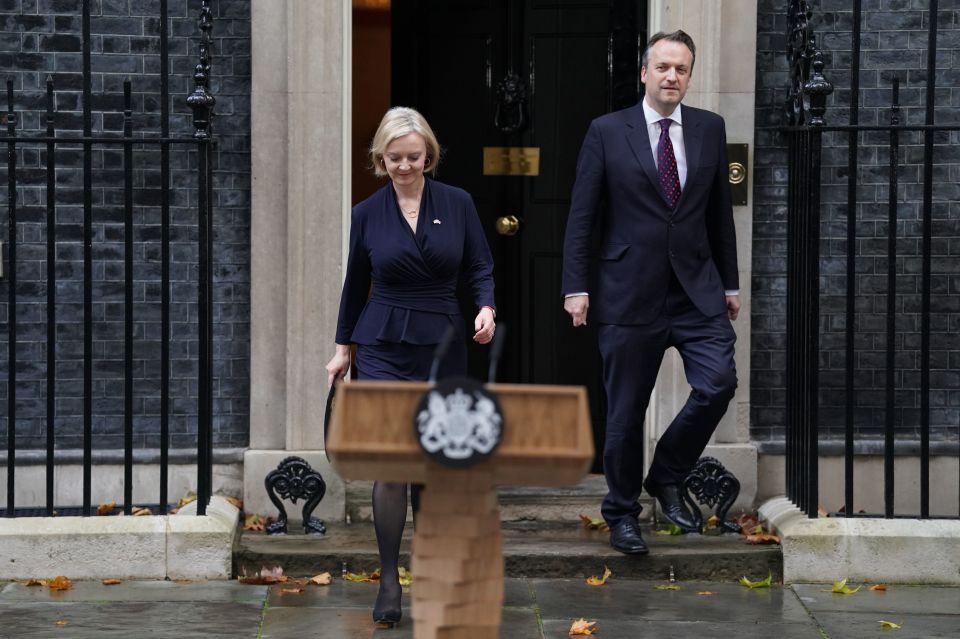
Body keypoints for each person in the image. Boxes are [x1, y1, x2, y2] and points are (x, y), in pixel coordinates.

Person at [561, 30, 739, 555]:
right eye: (662, 67)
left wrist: (729, 283)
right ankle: (621, 515)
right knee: (624, 413)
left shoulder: (709, 128)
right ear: (644, 72)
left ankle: (666, 473)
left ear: (689, 74)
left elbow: (718, 216)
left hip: (696, 292)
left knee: (718, 384)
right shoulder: (607, 131)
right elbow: (582, 218)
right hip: (627, 293)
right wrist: (576, 287)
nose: (671, 77)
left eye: (681, 69)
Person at [325, 106, 497, 626]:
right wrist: (341, 349)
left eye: (414, 157)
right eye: (394, 158)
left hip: (442, 341)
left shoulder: (459, 203)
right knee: (394, 463)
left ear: (429, 156)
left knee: (436, 464)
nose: (405, 166)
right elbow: (355, 285)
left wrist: (486, 305)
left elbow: (480, 264)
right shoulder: (366, 213)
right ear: (380, 158)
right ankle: (387, 577)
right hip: (382, 345)